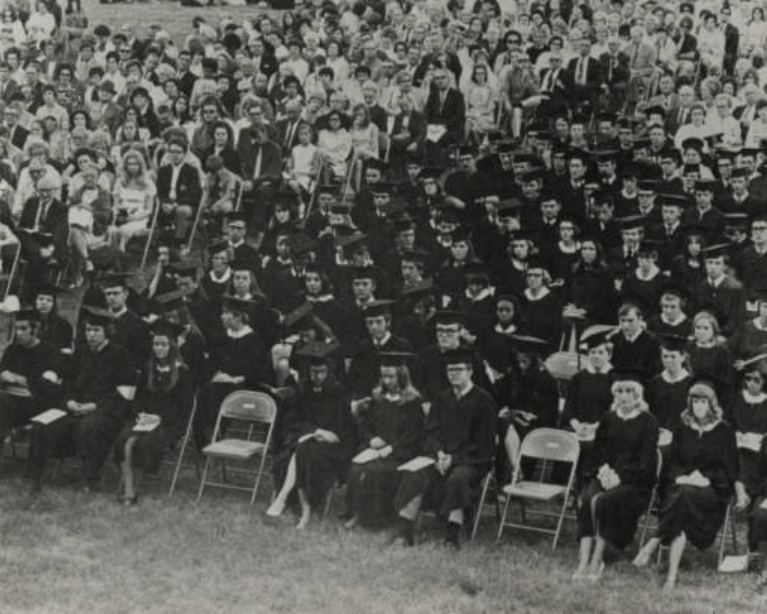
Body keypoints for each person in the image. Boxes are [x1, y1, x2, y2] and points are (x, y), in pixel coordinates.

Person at [633, 381, 737, 590]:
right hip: (681, 490)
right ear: (689, 404)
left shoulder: (724, 431)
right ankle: (671, 577)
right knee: (683, 498)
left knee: (683, 496)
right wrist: (680, 477)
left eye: (702, 401)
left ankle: (652, 543)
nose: (698, 406)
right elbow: (672, 463)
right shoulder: (683, 428)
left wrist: (707, 478)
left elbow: (730, 468)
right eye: (694, 401)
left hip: (711, 493)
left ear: (711, 404)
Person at [392, 348, 496, 549]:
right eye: (450, 370)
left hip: (471, 461)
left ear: (470, 371)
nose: (453, 374)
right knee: (415, 474)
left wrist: (454, 459)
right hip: (438, 457)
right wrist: (439, 453)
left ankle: (451, 538)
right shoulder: (442, 398)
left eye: (458, 369)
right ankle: (405, 534)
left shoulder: (484, 401)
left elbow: (484, 444)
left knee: (458, 478)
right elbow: (431, 432)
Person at [28, 306, 135, 491]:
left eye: (96, 330)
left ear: (107, 332)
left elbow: (124, 392)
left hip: (105, 410)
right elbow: (68, 381)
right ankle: (35, 477)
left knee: (90, 427)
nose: (91, 334)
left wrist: (94, 405)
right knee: (42, 424)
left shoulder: (121, 355)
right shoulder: (81, 352)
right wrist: (69, 401)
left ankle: (91, 478)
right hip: (74, 407)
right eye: (88, 330)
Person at [573, 373, 659, 581]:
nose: (624, 396)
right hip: (605, 474)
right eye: (619, 391)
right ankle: (583, 561)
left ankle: (597, 559)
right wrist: (602, 472)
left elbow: (646, 461)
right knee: (587, 499)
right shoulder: (608, 418)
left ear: (637, 395)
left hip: (634, 483)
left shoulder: (649, 421)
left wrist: (621, 477)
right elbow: (598, 450)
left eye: (629, 391)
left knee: (603, 501)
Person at [266, 341, 354, 529]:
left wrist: (330, 435)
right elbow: (293, 419)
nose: (318, 376)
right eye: (314, 372)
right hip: (304, 438)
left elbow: (345, 425)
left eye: (322, 372)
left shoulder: (339, 391)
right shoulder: (302, 389)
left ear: (329, 370)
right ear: (308, 371)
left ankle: (282, 500)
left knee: (303, 451)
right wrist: (314, 431)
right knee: (301, 449)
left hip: (331, 445)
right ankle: (298, 507)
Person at [114, 319, 195, 505]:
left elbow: (184, 408)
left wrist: (160, 417)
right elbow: (138, 398)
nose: (159, 348)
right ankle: (129, 485)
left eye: (164, 344)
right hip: (144, 419)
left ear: (173, 346)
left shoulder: (183, 374)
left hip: (170, 423)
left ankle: (131, 488)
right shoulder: (147, 368)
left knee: (145, 441)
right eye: (156, 344)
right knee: (123, 439)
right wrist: (140, 414)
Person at [344, 352, 424, 529]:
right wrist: (371, 439)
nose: (387, 381)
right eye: (384, 376)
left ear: (402, 376)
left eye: (391, 377)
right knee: (356, 469)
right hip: (375, 447)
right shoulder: (378, 397)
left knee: (376, 470)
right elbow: (365, 424)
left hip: (400, 451)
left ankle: (377, 519)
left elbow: (413, 434)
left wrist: (392, 448)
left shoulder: (413, 401)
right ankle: (356, 513)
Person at [0, 308, 63, 455]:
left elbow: (45, 386)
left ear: (35, 329)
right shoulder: (12, 349)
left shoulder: (49, 352)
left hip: (33, 404)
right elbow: (2, 372)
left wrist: (17, 378)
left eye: (23, 328)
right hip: (8, 399)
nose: (19, 333)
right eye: (16, 329)